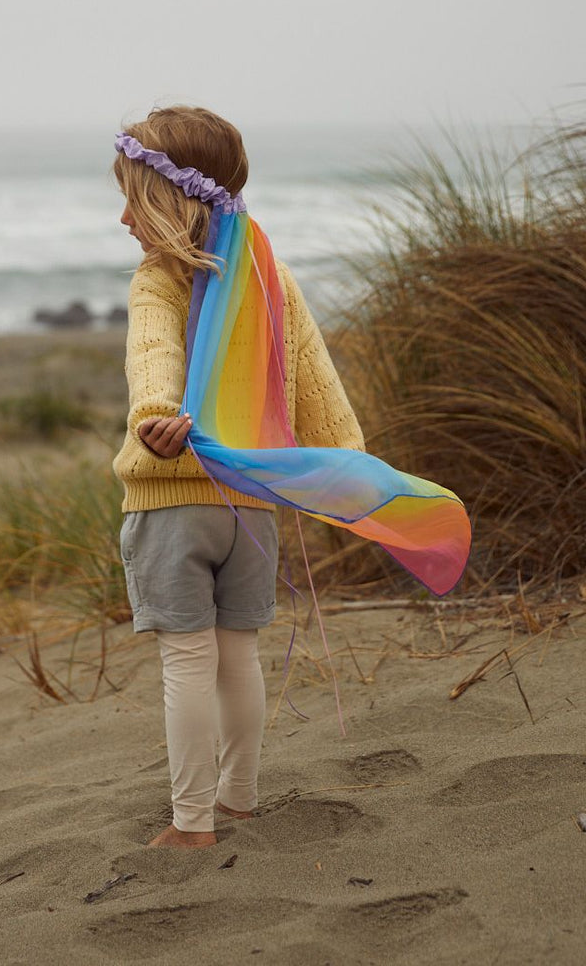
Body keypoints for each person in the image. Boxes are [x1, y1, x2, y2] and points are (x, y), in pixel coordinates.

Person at [112, 106, 366, 849]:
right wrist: (344, 455)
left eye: (133, 197)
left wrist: (158, 416)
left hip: (174, 500)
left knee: (186, 662)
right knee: (238, 656)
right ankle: (241, 798)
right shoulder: (270, 273)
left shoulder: (160, 277)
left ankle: (192, 823)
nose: (123, 215)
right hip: (251, 504)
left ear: (169, 200)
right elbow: (316, 385)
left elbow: (152, 354)